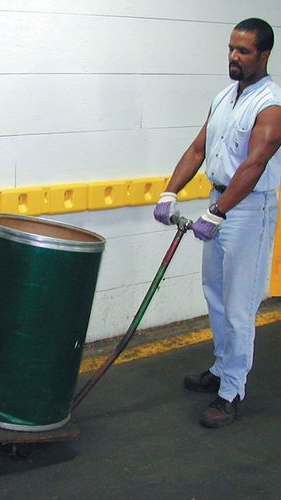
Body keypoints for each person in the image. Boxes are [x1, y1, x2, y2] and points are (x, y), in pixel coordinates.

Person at [154, 18, 281, 428]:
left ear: (264, 55)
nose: (233, 57)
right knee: (216, 294)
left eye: (243, 51)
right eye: (231, 48)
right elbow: (197, 150)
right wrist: (169, 192)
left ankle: (232, 391)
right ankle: (222, 367)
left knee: (240, 305)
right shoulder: (224, 97)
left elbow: (254, 165)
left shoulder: (271, 105)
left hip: (249, 210)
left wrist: (219, 211)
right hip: (219, 202)